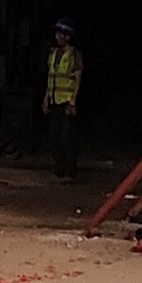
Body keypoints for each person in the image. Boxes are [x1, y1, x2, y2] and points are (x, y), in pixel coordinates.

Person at [42, 21, 84, 181]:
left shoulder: (74, 55)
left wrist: (73, 101)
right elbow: (51, 77)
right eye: (57, 34)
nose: (58, 37)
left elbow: (78, 78)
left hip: (67, 101)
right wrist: (46, 97)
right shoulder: (53, 53)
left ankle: (69, 171)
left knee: (68, 137)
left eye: (61, 34)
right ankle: (59, 169)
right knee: (55, 136)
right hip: (55, 100)